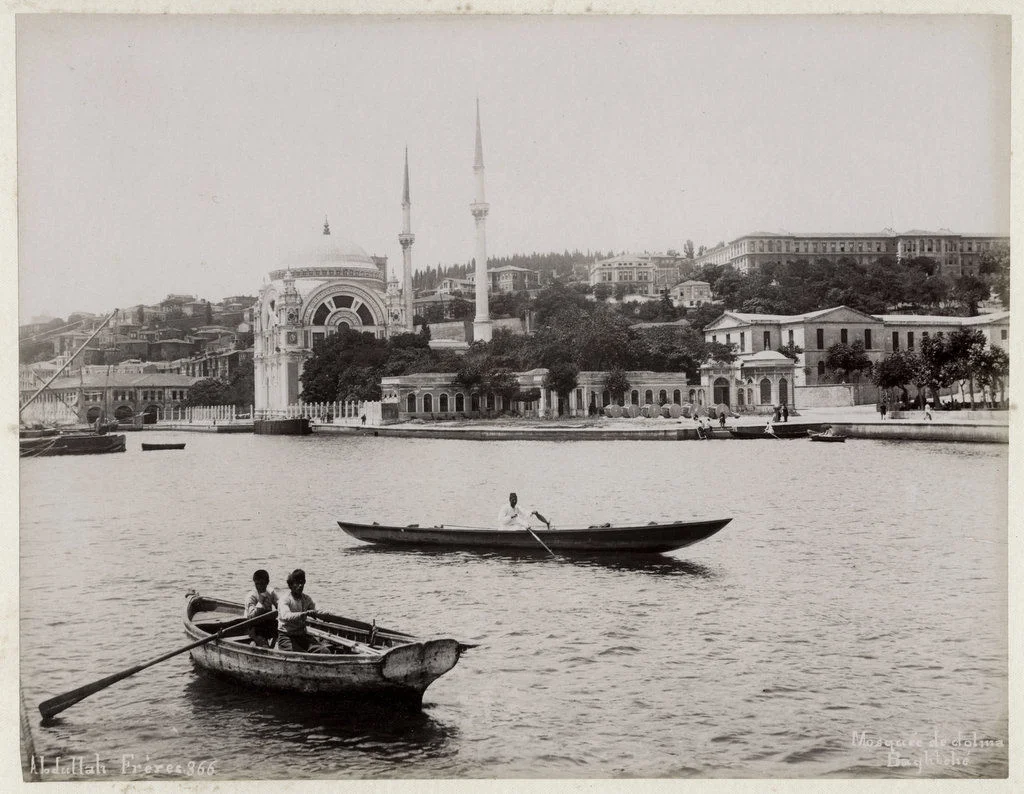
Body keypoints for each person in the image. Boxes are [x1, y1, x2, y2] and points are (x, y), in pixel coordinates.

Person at [277, 569, 330, 653]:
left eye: (302, 583)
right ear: (291, 585)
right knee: (301, 655)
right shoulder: (285, 599)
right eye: (297, 583)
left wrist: (327, 614)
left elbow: (317, 609)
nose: (300, 585)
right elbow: (286, 616)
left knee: (325, 651)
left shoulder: (306, 599)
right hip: (286, 637)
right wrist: (304, 614)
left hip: (302, 635)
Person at [244, 569, 278, 648]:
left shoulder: (271, 592)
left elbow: (280, 606)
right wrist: (261, 601)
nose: (260, 587)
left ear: (267, 582)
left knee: (285, 630)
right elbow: (251, 617)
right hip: (253, 626)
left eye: (262, 584)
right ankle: (255, 642)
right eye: (257, 584)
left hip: (267, 623)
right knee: (264, 645)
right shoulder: (251, 596)